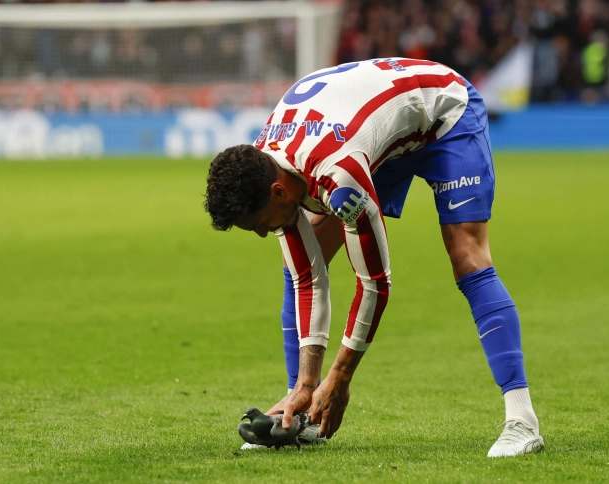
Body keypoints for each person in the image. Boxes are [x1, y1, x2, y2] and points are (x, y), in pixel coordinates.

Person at [203, 58, 544, 457]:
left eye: (260, 223)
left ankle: (522, 420)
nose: (263, 232)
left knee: (468, 257)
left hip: (443, 115)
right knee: (295, 265)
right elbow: (307, 277)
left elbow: (374, 283)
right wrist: (310, 383)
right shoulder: (266, 164)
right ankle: (297, 411)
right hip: (370, 136)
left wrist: (341, 375)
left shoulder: (337, 176)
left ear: (278, 192)